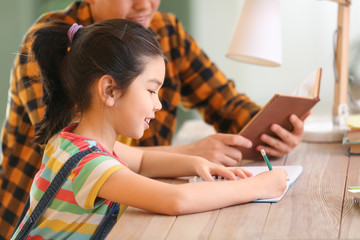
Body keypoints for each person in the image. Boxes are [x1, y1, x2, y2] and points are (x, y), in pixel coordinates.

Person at [0, 1, 304, 238]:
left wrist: (194, 162)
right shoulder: (89, 164)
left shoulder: (72, 141)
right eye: (151, 90)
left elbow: (142, 163)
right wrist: (258, 187)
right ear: (109, 89)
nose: (158, 104)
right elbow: (174, 200)